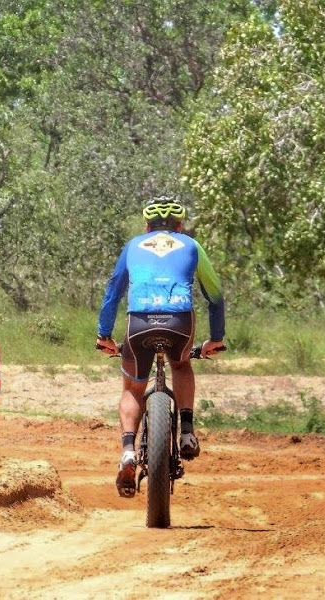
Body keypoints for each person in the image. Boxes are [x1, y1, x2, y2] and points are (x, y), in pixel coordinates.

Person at [95, 195, 226, 497]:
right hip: (180, 322)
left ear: (147, 226)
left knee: (132, 388)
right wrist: (216, 338)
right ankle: (187, 432)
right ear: (180, 226)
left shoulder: (133, 246)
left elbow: (113, 292)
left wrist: (104, 335)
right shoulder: (192, 245)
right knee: (180, 363)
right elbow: (215, 295)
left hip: (139, 322)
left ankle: (128, 451)